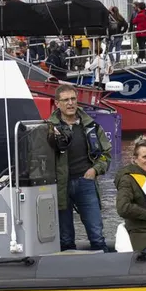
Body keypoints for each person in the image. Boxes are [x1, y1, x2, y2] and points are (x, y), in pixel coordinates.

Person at [47, 84, 112, 251]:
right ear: (57, 103)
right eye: (66, 100)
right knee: (65, 237)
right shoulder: (47, 128)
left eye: (73, 99)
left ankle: (105, 268)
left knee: (96, 233)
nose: (70, 103)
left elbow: (106, 154)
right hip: (60, 186)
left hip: (86, 183)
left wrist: (95, 170)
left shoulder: (92, 126)